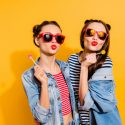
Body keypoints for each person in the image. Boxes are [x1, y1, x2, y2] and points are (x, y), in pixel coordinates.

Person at [22, 21, 79, 125]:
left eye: (58, 38)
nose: (54, 41)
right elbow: (40, 118)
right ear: (37, 40)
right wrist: (44, 84)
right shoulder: (28, 76)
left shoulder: (67, 67)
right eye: (48, 36)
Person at [68, 19, 122, 125]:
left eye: (101, 35)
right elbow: (68, 95)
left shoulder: (104, 62)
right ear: (83, 34)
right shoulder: (72, 59)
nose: (95, 37)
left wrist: (84, 67)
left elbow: (85, 103)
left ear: (104, 41)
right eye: (90, 32)